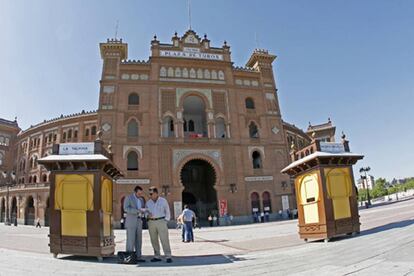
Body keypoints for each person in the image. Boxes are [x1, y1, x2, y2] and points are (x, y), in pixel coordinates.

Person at [146, 187, 172, 263]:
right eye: (149, 194)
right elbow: (146, 212)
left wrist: (166, 221)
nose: (150, 195)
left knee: (164, 239)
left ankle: (168, 256)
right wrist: (147, 216)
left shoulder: (163, 201)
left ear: (156, 193)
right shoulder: (148, 202)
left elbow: (167, 211)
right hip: (151, 222)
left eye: (151, 193)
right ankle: (157, 256)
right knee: (153, 240)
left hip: (161, 221)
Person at [123, 185, 147, 262]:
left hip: (139, 221)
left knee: (139, 240)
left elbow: (142, 209)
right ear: (135, 192)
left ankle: (138, 256)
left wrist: (143, 212)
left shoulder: (141, 200)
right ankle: (129, 257)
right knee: (130, 240)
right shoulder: (129, 198)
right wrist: (137, 211)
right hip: (131, 221)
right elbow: (126, 208)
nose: (140, 195)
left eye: (141, 193)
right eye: (139, 193)